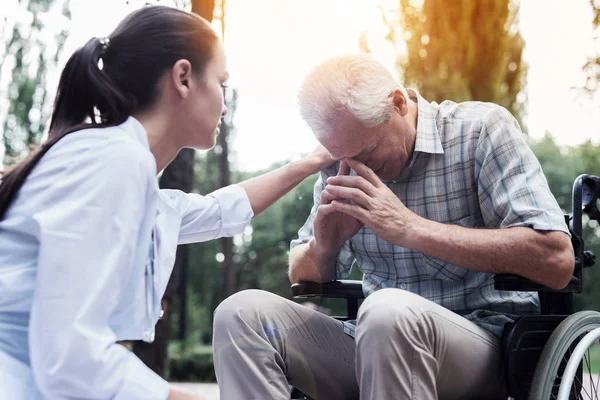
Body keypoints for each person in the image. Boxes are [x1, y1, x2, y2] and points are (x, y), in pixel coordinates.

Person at [0, 6, 334, 400]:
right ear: (183, 77)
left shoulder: (125, 169)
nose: (225, 104)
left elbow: (220, 210)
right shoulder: (114, 161)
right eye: (221, 83)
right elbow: (71, 360)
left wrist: (311, 162)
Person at [212, 54, 575, 399]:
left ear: (399, 103)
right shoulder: (342, 160)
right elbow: (302, 278)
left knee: (388, 313)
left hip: (482, 346)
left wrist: (410, 228)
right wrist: (324, 246)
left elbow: (557, 261)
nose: (354, 167)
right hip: (372, 342)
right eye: (342, 158)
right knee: (241, 315)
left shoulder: (480, 131)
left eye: (367, 153)